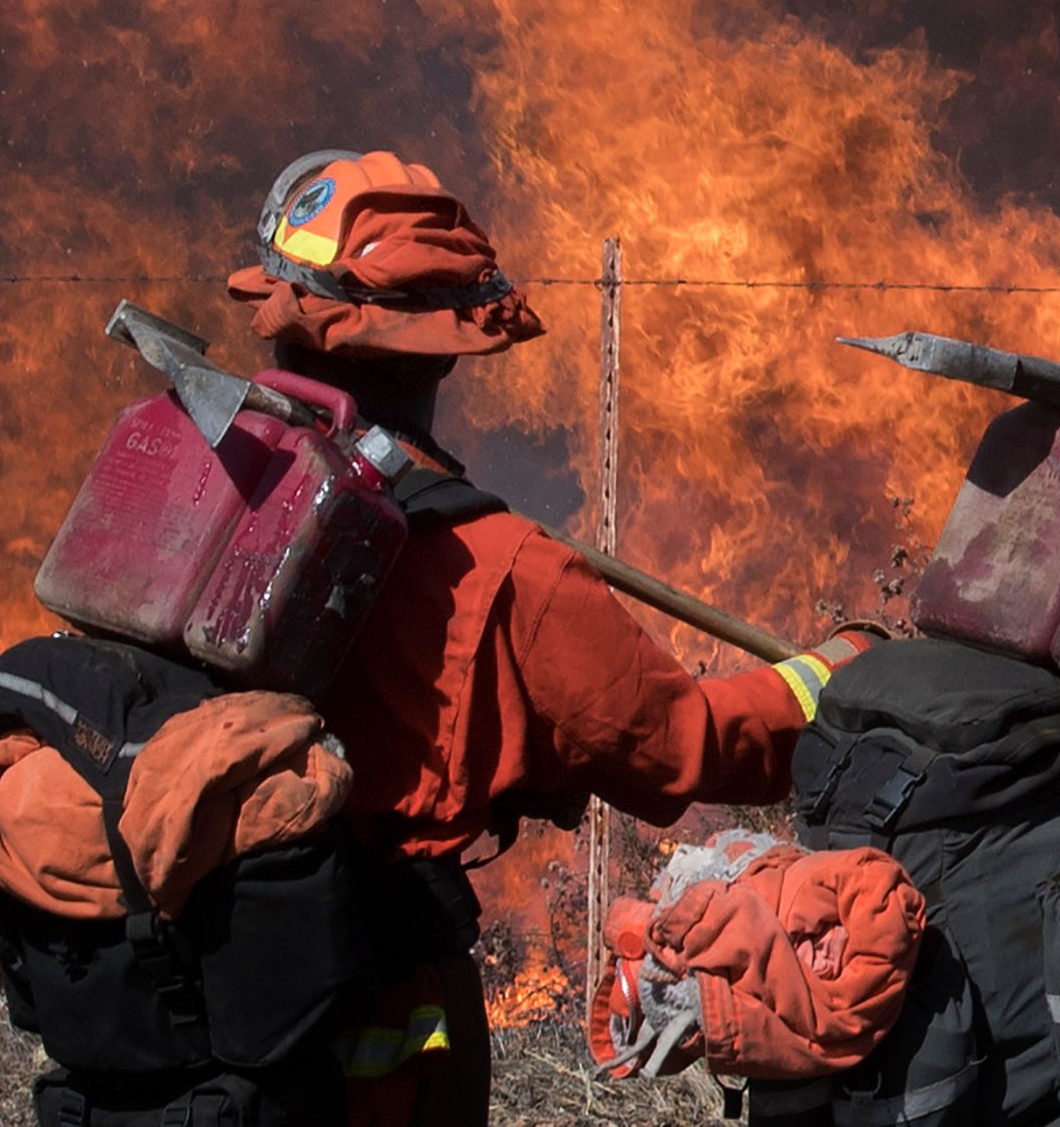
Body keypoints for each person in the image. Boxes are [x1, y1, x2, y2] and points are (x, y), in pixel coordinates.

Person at [230, 149, 863, 1127]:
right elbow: (680, 743)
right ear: (447, 347)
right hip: (375, 1000)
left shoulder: (203, 472)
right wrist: (839, 675)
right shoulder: (501, 567)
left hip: (191, 982)